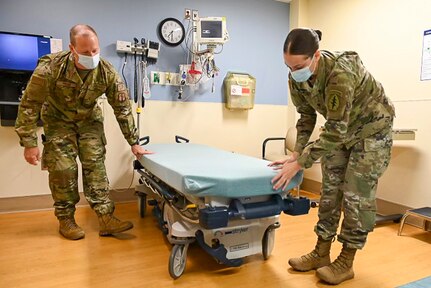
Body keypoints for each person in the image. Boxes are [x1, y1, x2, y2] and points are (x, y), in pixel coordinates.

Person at [270, 28, 395, 285]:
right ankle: (321, 253)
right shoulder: (296, 75)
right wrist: (295, 155)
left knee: (355, 196)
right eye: (288, 66)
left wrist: (300, 164)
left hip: (372, 131)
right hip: (342, 130)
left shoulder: (341, 71)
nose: (294, 72)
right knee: (329, 192)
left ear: (316, 55)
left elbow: (336, 130)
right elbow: (306, 117)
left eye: (299, 65)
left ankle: (345, 261)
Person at [15, 24, 152, 240]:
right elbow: (30, 104)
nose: (92, 56)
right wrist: (29, 143)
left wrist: (134, 141)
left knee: (95, 167)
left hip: (89, 122)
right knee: (64, 170)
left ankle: (106, 218)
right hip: (58, 122)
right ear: (72, 48)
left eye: (95, 51)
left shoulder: (106, 71)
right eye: (86, 52)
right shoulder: (51, 68)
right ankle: (66, 220)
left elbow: (123, 109)